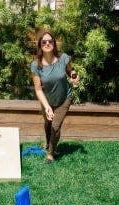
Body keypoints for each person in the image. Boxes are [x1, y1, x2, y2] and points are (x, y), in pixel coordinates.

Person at [30, 31, 80, 163]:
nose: (47, 43)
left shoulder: (63, 58)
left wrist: (74, 77)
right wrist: (47, 107)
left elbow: (71, 70)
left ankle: (50, 153)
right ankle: (47, 143)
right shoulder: (36, 66)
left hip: (64, 98)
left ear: (54, 43)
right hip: (47, 100)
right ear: (40, 45)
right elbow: (38, 89)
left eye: (50, 41)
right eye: (44, 42)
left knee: (55, 127)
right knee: (48, 123)